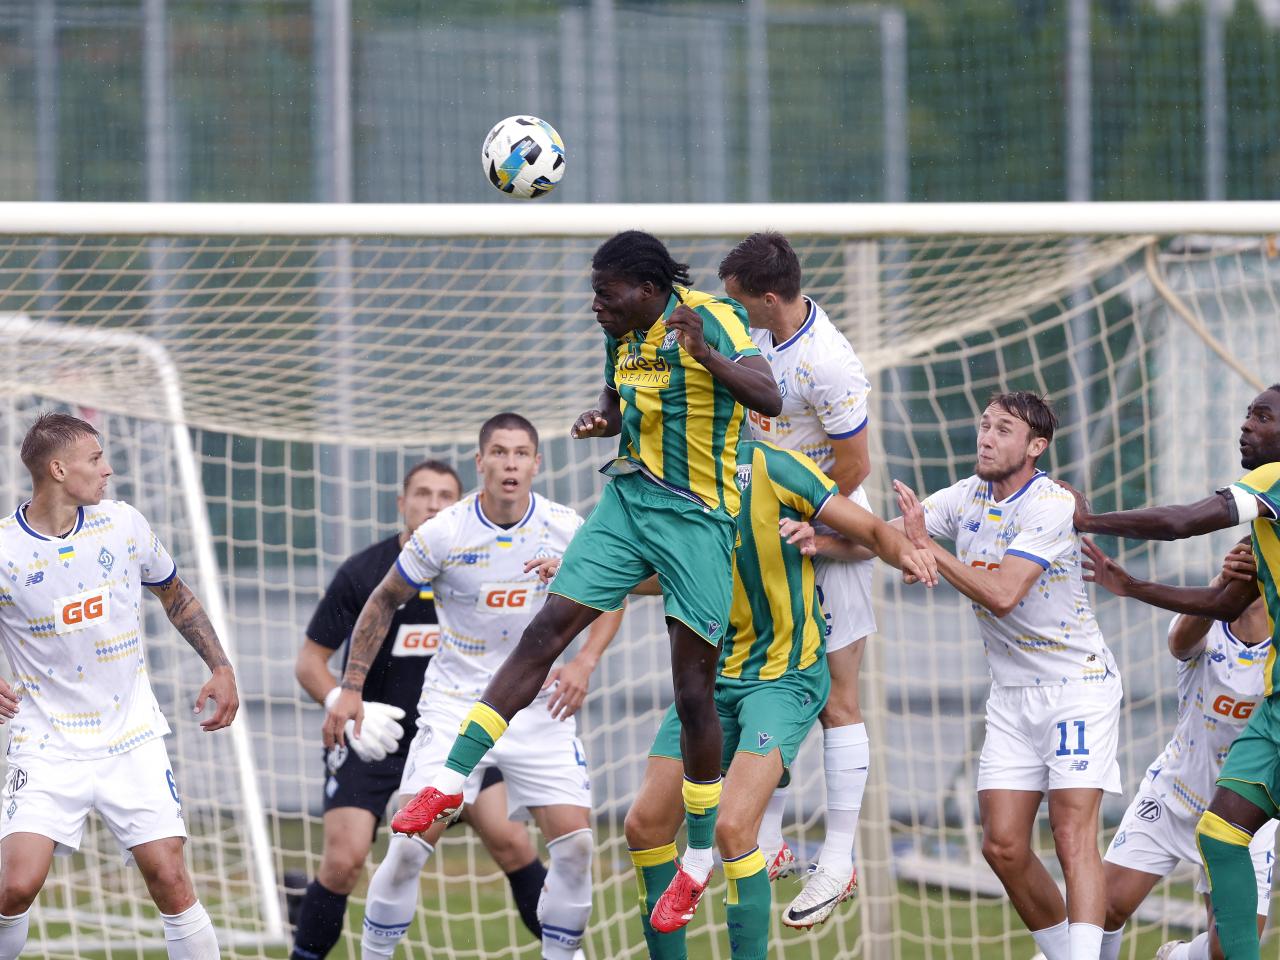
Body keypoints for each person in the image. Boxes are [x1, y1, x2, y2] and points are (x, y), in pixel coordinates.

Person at [352, 231, 782, 925]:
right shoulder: (625, 331)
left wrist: (704, 353)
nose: (595, 306)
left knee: (694, 691)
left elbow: (770, 397)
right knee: (543, 633)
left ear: (647, 290)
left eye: (605, 294)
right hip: (628, 500)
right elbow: (619, 399)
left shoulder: (713, 318)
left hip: (700, 519)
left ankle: (697, 857)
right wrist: (603, 419)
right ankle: (449, 781)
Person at [606, 438, 936, 958]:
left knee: (734, 827)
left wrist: (910, 555)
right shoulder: (666, 478)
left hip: (784, 676)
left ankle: (824, 860)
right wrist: (589, 573)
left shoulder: (773, 466)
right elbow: (659, 573)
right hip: (714, 676)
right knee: (644, 825)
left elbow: (872, 530)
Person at [324, 413, 621, 960]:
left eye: (521, 453)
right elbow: (384, 598)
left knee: (577, 846)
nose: (511, 464)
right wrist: (351, 686)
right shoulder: (444, 531)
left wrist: (585, 662)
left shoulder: (566, 527)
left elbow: (613, 593)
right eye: (500, 453)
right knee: (410, 843)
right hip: (457, 706)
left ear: (537, 463)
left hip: (536, 707)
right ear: (480, 462)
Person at [289, 460, 552, 959]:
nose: (433, 505)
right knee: (344, 862)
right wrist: (339, 703)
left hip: (454, 736)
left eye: (445, 496)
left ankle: (570, 951)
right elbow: (309, 662)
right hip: (375, 742)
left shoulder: (479, 569)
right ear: (401, 504)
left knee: (513, 841)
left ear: (461, 505)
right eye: (422, 494)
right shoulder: (364, 573)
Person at [0, 412, 238, 960]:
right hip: (46, 741)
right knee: (15, 886)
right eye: (95, 459)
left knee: (170, 877)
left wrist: (221, 667)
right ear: (58, 469)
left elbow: (175, 594)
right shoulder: (7, 549)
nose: (107, 470)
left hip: (131, 735)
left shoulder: (123, 524)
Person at [894, 392, 1122, 960]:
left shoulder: (1050, 504)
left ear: (1035, 446)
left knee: (1072, 836)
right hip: (1012, 695)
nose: (987, 437)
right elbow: (890, 532)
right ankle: (1067, 952)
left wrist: (929, 550)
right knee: (1002, 846)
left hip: (1077, 687)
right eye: (984, 425)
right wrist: (821, 537)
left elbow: (1001, 595)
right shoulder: (966, 495)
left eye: (1003, 429)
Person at [1065, 384, 1280, 960]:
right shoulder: (1232, 592)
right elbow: (1194, 626)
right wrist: (1139, 584)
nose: (1246, 426)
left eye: (1262, 417)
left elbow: (1183, 520)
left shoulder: (1273, 484)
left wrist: (1090, 519)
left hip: (1253, 781)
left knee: (1224, 940)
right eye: (1246, 414)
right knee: (1107, 905)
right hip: (1182, 789)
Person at [718, 231, 881, 923]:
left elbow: (856, 465)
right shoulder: (754, 342)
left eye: (740, 301)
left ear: (771, 298)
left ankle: (838, 861)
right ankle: (774, 840)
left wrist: (820, 527)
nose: (734, 310)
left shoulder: (828, 363)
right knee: (764, 677)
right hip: (766, 531)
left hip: (824, 533)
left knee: (838, 700)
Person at [1081, 542, 1275, 960]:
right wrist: (1219, 586)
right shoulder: (1205, 629)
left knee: (1229, 949)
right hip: (1175, 798)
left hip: (1246, 814)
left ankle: (1177, 957)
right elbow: (1177, 641)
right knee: (1105, 909)